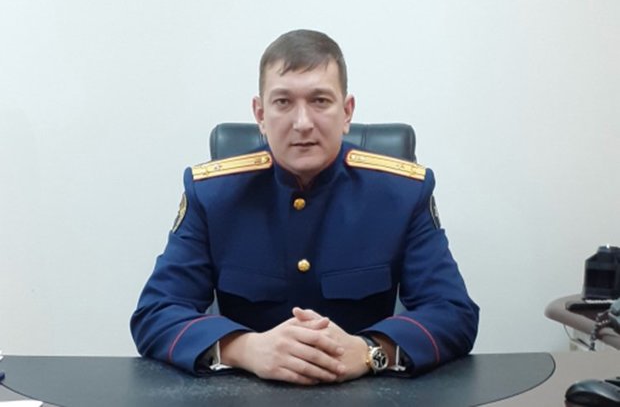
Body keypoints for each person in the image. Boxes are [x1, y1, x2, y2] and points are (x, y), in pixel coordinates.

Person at [130, 29, 479, 385]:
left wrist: (370, 351)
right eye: (283, 102)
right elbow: (156, 312)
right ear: (260, 114)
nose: (302, 123)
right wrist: (246, 348)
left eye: (320, 101)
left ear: (347, 112)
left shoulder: (401, 193)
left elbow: (453, 312)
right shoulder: (213, 194)